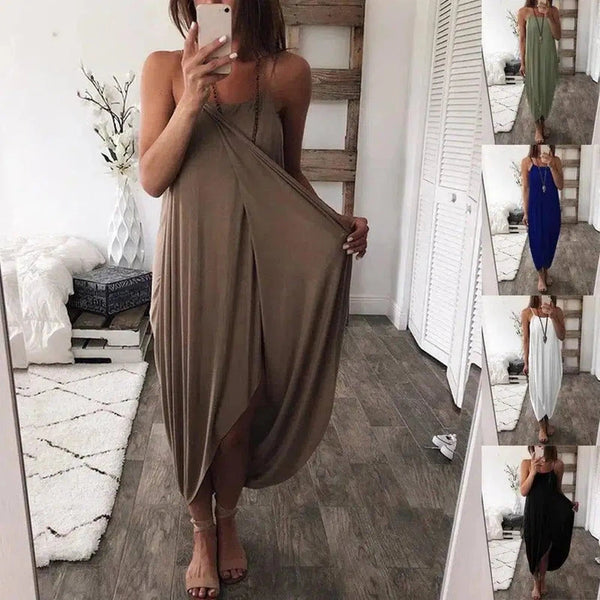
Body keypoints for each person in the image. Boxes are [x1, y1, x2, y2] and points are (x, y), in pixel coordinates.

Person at [139, 1, 370, 597]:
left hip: (251, 266)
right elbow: (152, 177)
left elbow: (288, 176)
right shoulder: (163, 67)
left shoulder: (289, 75)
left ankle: (229, 520)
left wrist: (337, 224)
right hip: (188, 267)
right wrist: (191, 98)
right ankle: (201, 533)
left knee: (239, 415)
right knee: (191, 409)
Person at [520, 445, 578, 600]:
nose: (540, 446)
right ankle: (535, 583)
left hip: (550, 515)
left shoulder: (557, 464)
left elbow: (557, 491)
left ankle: (542, 580)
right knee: (533, 552)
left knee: (545, 553)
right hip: (532, 515)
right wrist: (533, 472)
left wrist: (570, 504)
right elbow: (523, 491)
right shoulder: (526, 463)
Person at [521, 296, 565, 442]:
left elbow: (562, 336)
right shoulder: (527, 313)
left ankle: (547, 423)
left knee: (549, 390)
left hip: (552, 359)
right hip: (537, 359)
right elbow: (526, 339)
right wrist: (526, 362)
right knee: (537, 391)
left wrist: (553, 316)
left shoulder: (557, 311)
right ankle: (542, 427)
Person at [521, 145, 563, 292]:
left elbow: (560, 185)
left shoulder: (556, 160)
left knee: (550, 240)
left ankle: (546, 270)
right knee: (537, 241)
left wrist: (551, 165)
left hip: (552, 208)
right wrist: (526, 212)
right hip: (535, 209)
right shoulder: (527, 161)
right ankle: (540, 275)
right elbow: (525, 188)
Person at [517, 0, 561, 143]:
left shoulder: (553, 11)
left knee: (547, 91)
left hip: (548, 58)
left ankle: (543, 123)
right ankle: (538, 127)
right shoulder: (523, 12)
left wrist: (548, 16)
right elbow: (522, 39)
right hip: (532, 58)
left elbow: (558, 36)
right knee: (534, 92)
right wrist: (522, 63)